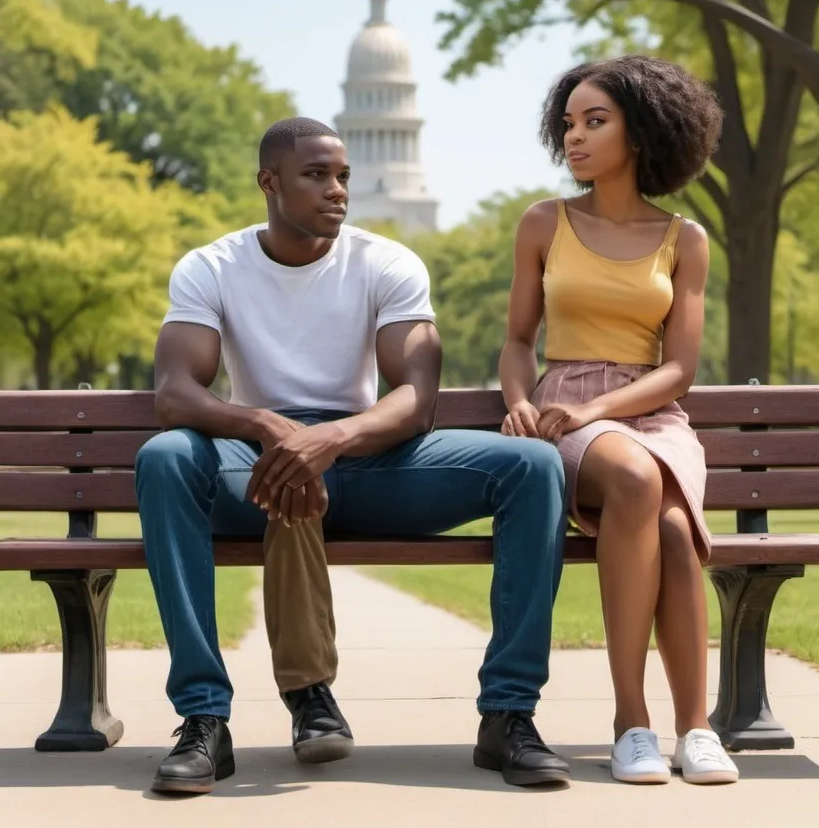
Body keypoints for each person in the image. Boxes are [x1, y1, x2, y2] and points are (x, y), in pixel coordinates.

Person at [135, 116, 570, 795]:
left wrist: (328, 439)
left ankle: (509, 714)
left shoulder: (387, 262)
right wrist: (270, 429)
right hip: (256, 465)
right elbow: (174, 394)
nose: (337, 191)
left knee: (535, 466)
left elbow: (416, 400)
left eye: (342, 177)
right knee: (165, 457)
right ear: (268, 183)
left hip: (370, 459)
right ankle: (203, 720)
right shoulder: (212, 267)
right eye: (316, 176)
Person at [499, 57, 739, 786]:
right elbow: (517, 341)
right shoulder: (545, 223)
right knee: (632, 477)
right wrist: (518, 400)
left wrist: (603, 407)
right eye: (568, 123)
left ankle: (695, 727)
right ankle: (630, 721)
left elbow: (679, 370)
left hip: (649, 412)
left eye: (594, 121)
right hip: (567, 409)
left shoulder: (684, 240)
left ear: (642, 133)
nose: (574, 137)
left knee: (672, 527)